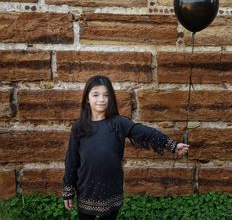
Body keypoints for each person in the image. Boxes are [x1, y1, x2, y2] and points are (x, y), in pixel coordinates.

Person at [62, 75, 189, 220]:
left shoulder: (119, 123)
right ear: (87, 98)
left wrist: (172, 145)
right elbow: (71, 160)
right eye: (96, 95)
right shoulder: (79, 127)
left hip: (111, 188)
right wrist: (68, 191)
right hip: (86, 188)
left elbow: (145, 133)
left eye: (106, 95)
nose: (101, 99)